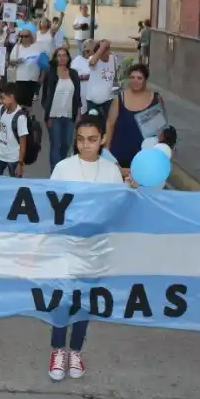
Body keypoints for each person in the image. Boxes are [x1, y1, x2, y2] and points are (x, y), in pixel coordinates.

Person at [47, 115, 126, 381]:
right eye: (80, 139)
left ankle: (76, 351)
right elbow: (51, 206)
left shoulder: (111, 171)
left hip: (96, 249)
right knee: (62, 300)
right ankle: (58, 349)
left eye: (92, 139)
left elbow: (117, 209)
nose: (85, 145)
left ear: (103, 139)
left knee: (84, 301)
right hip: (66, 246)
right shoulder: (63, 168)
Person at [104, 64, 166, 170]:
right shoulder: (120, 97)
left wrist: (158, 150)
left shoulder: (156, 99)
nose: (135, 81)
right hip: (119, 152)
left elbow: (160, 129)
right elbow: (110, 123)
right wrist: (106, 149)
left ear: (146, 80)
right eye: (132, 77)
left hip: (143, 154)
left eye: (139, 78)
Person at [42, 46, 81, 172]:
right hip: (54, 116)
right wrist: (47, 115)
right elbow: (45, 97)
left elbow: (77, 97)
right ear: (55, 58)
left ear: (68, 58)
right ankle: (55, 172)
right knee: (55, 145)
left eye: (64, 55)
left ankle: (62, 169)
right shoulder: (50, 74)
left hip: (69, 116)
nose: (62, 58)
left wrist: (78, 115)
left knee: (66, 144)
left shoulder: (73, 74)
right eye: (59, 55)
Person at [0, 83, 29, 177]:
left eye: (3, 98)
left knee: (15, 183)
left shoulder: (20, 117)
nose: (0, 101)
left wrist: (20, 163)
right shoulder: (2, 109)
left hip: (14, 158)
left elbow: (23, 142)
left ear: (11, 97)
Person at [84, 40, 119, 117]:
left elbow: (115, 77)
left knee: (108, 122)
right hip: (92, 101)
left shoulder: (113, 59)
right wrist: (102, 47)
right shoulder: (93, 59)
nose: (105, 52)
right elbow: (92, 63)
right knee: (93, 122)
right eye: (103, 49)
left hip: (108, 100)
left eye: (107, 49)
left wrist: (115, 97)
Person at [8, 28, 42, 107]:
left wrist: (42, 78)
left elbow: (43, 63)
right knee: (19, 102)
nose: (23, 38)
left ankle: (26, 114)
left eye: (26, 36)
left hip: (32, 79)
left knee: (27, 104)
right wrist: (17, 61)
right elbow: (11, 62)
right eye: (21, 36)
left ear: (30, 37)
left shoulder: (37, 47)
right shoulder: (17, 47)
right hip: (19, 78)